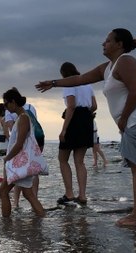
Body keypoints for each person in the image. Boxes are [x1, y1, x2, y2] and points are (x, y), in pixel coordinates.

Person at [36, 28, 136, 226]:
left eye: (108, 41)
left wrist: (123, 119)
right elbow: (79, 79)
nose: (103, 44)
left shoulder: (126, 61)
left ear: (119, 44)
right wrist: (53, 83)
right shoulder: (109, 67)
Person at [0, 89, 46, 217]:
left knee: (3, 191)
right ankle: (41, 218)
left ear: (13, 102)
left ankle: (6, 224)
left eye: (6, 104)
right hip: (21, 163)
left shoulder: (24, 118)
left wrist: (7, 158)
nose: (6, 107)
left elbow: (19, 144)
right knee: (28, 194)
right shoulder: (22, 117)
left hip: (20, 163)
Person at [55, 62, 96, 205]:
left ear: (64, 74)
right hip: (87, 119)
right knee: (80, 161)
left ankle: (69, 193)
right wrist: (86, 116)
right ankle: (82, 195)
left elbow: (71, 106)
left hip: (74, 119)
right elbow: (94, 106)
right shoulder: (87, 84)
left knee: (63, 158)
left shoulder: (69, 84)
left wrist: (64, 129)